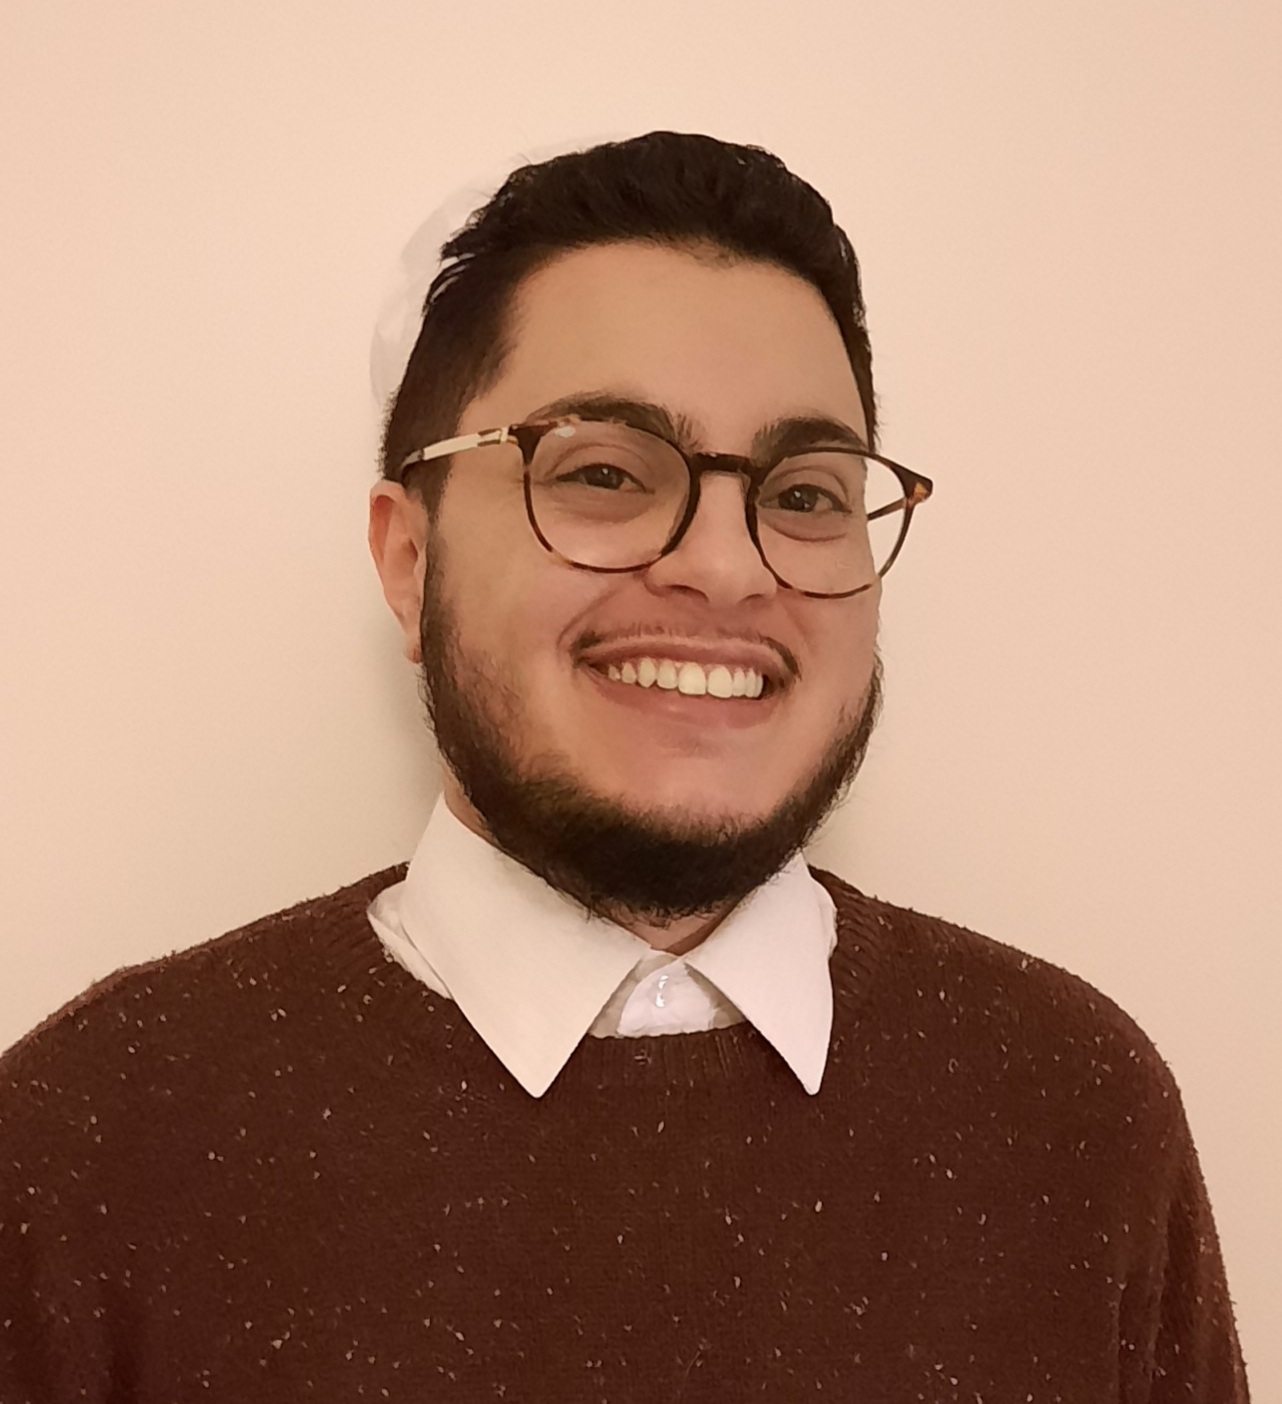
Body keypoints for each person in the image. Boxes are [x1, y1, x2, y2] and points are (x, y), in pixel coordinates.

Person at [0, 131, 1250, 1401]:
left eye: (807, 495)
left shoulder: (1073, 1113)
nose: (725, 565)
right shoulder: (93, 1137)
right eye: (601, 471)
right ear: (409, 558)